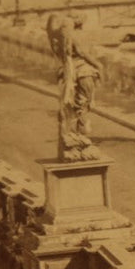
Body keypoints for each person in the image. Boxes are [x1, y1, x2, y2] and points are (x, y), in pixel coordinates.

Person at [47, 12, 102, 160]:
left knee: (75, 106)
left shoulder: (66, 37)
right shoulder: (78, 36)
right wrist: (99, 66)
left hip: (72, 73)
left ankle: (76, 138)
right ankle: (78, 137)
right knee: (82, 105)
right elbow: (83, 53)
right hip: (83, 73)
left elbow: (67, 53)